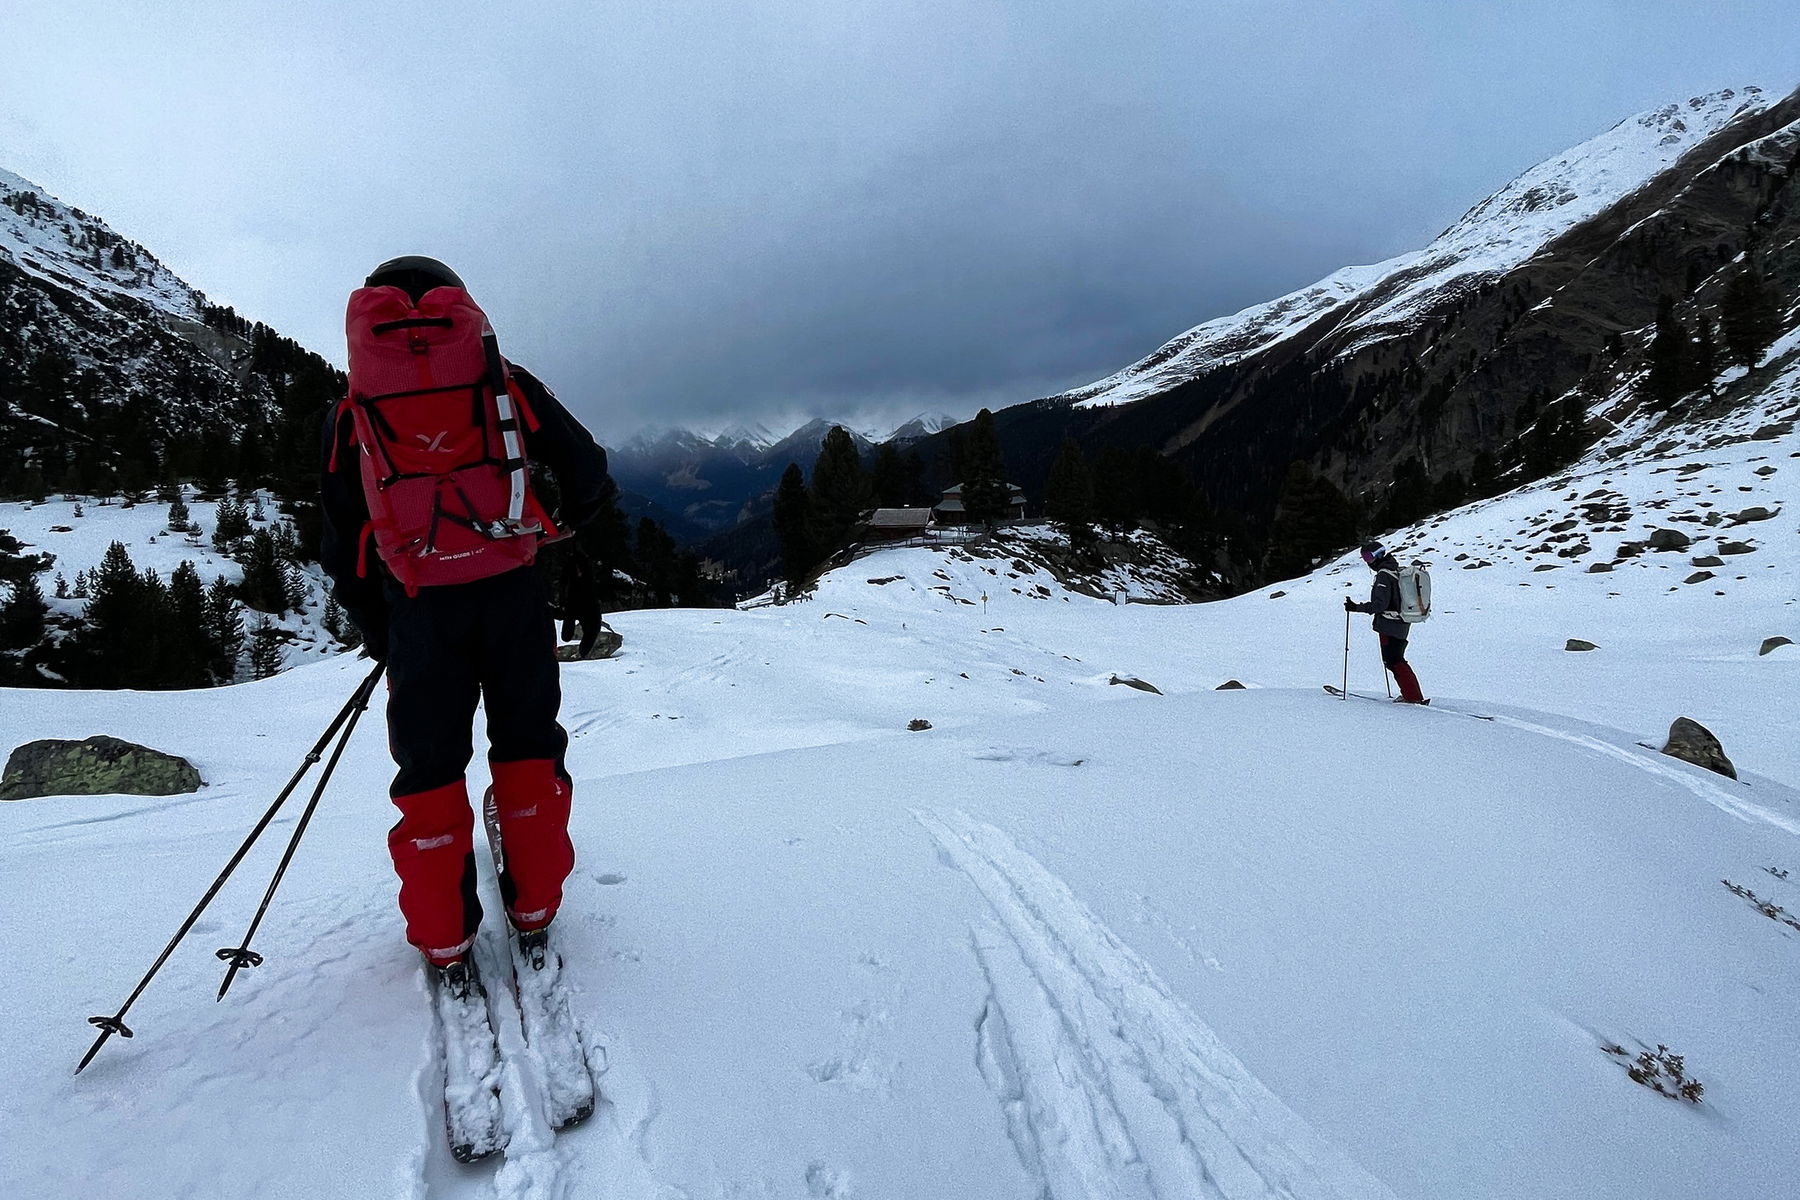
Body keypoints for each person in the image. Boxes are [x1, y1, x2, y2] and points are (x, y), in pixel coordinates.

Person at [320, 256, 615, 990]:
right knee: (527, 748)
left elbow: (341, 535)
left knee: (428, 769)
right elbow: (586, 465)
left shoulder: (353, 405)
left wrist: (376, 624)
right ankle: (536, 905)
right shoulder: (502, 379)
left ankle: (445, 938)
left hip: (419, 606)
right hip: (512, 593)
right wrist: (566, 528)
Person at [1345, 540, 1427, 704]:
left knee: (1394, 660)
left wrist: (1356, 608)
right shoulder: (1394, 569)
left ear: (1378, 555)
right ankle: (1411, 695)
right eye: (1364, 558)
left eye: (1368, 557)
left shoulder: (1384, 574)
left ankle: (1413, 697)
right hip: (1402, 621)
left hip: (1390, 624)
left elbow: (1379, 604)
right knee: (1395, 658)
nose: (1367, 562)